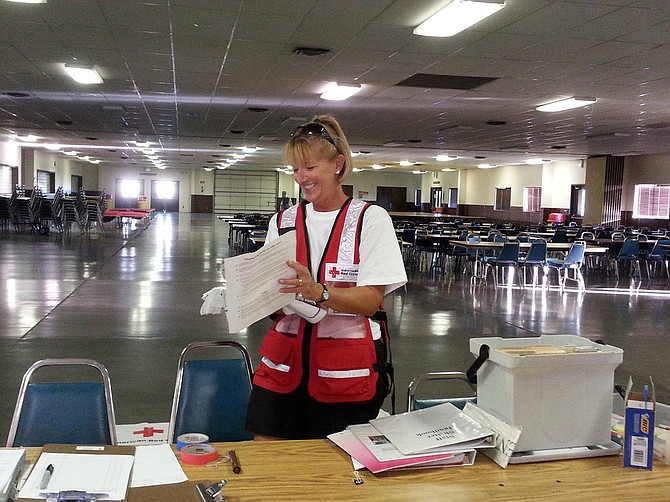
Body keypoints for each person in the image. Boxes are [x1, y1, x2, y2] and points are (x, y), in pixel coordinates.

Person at [245, 115, 407, 440]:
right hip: (284, 363)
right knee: (267, 451)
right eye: (294, 169)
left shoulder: (369, 220)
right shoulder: (284, 221)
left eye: (309, 167)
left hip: (344, 370)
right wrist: (246, 297)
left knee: (333, 466)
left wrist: (319, 292)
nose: (300, 177)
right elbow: (275, 298)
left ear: (337, 165)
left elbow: (371, 299)